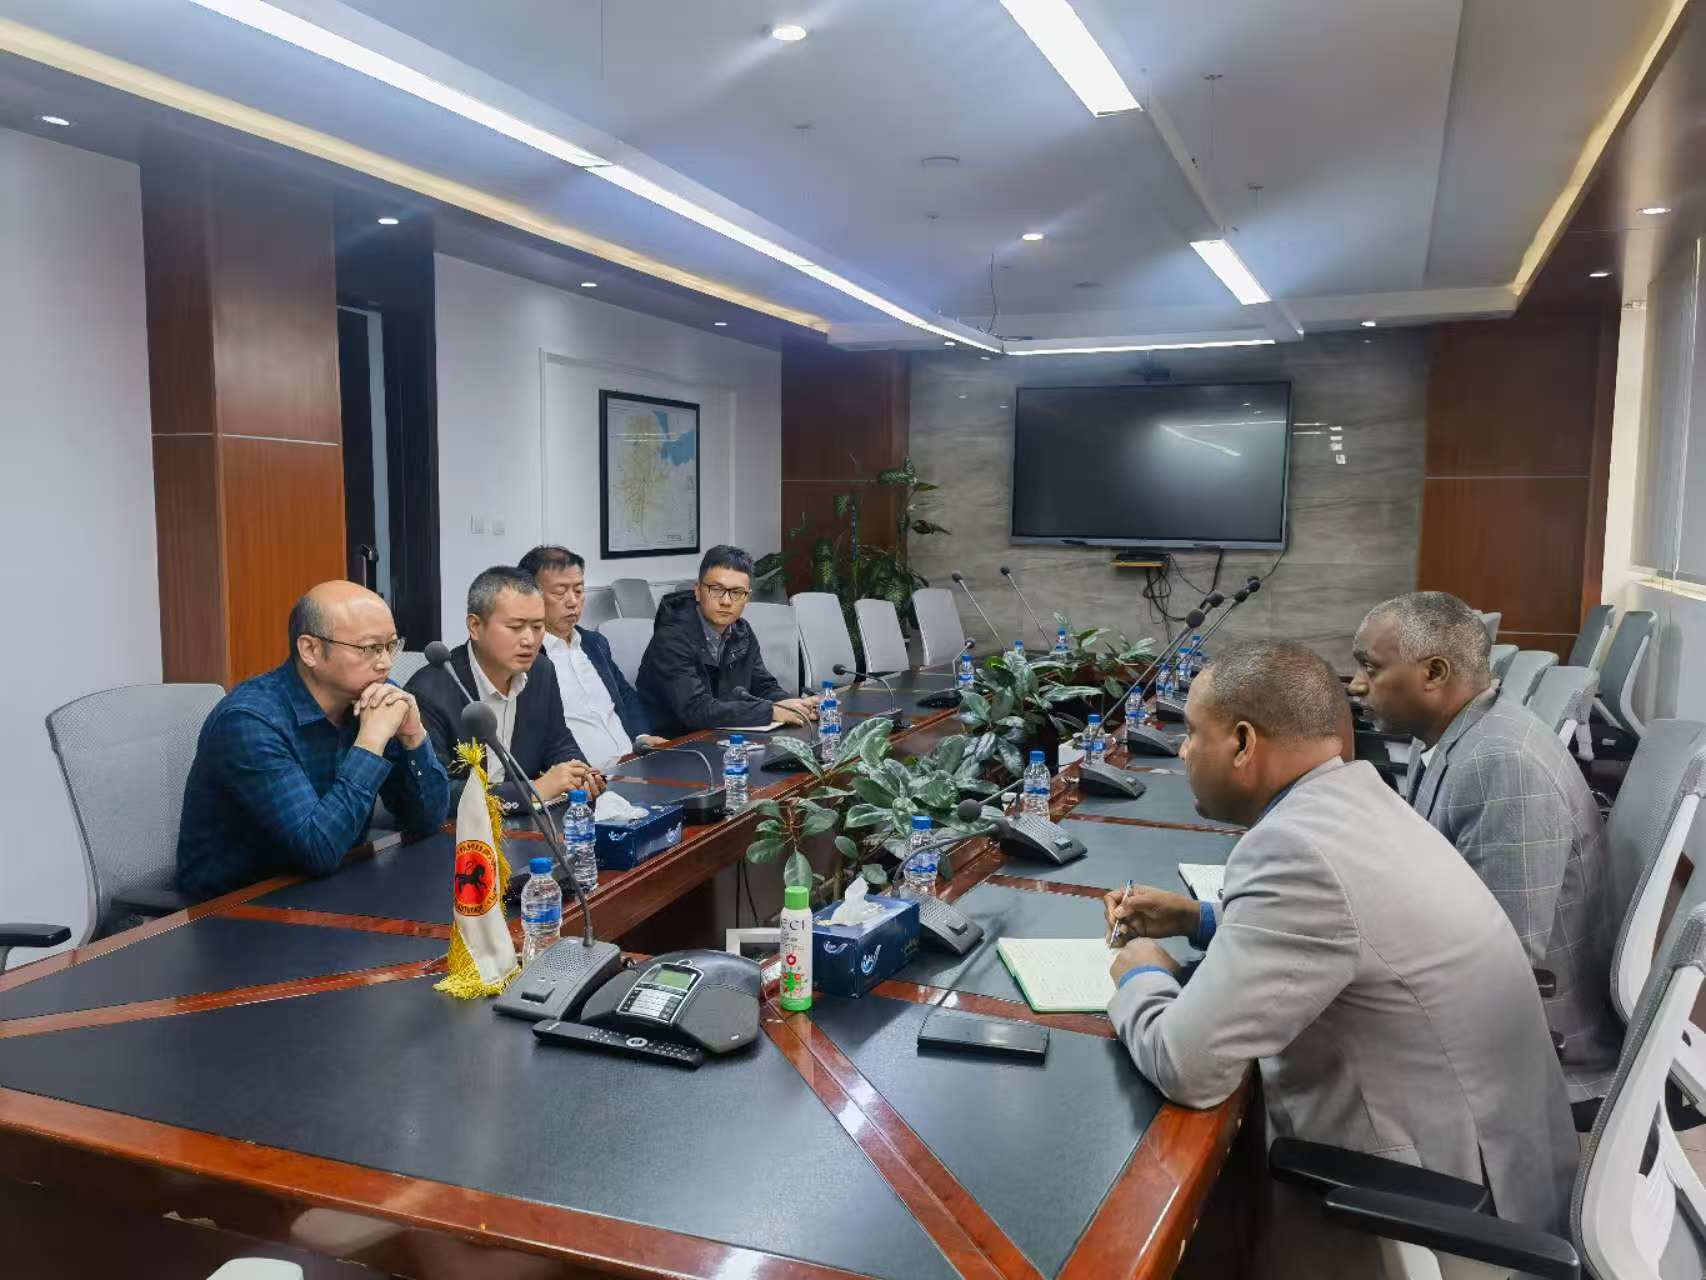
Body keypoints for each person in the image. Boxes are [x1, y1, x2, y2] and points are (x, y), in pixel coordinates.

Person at [1104, 641, 1577, 1277]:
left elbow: (1188, 1067)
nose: (1184, 751)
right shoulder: (1354, 799)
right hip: (1504, 1164)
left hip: (1434, 1214)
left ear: (1243, 743)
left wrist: (1140, 973)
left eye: (1192, 732)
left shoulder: (1294, 850)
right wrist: (1199, 920)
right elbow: (1350, 933)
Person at [1350, 591, 1619, 1106]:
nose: (1357, 684)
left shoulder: (1503, 763)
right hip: (1472, 997)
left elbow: (1501, 960)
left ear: (1433, 673)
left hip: (1535, 1049)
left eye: (1371, 667)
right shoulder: (1460, 735)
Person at [176, 582, 450, 901]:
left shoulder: (370, 697)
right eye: (369, 649)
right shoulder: (250, 721)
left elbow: (427, 820)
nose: (386, 663)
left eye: (391, 646)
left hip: (333, 888)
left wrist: (414, 736)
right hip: (237, 907)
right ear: (310, 650)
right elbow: (318, 849)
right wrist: (371, 740)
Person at [406, 566, 603, 804]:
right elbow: (436, 794)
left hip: (530, 820)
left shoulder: (541, 671)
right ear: (475, 627)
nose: (529, 640)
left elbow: (558, 743)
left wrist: (579, 775)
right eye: (515, 627)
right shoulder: (429, 692)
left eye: (537, 627)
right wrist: (532, 790)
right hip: (463, 825)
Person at [636, 545, 820, 737]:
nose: (726, 601)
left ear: (747, 597)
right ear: (698, 591)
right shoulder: (671, 638)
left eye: (737, 592)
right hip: (676, 743)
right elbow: (695, 710)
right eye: (716, 590)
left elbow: (762, 686)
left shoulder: (742, 630)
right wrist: (770, 711)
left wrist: (793, 705)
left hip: (726, 735)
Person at [518, 545, 667, 770]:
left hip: (633, 765)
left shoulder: (594, 643)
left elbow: (626, 696)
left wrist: (641, 736)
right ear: (529, 596)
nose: (572, 601)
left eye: (578, 591)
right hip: (584, 778)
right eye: (560, 592)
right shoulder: (525, 658)